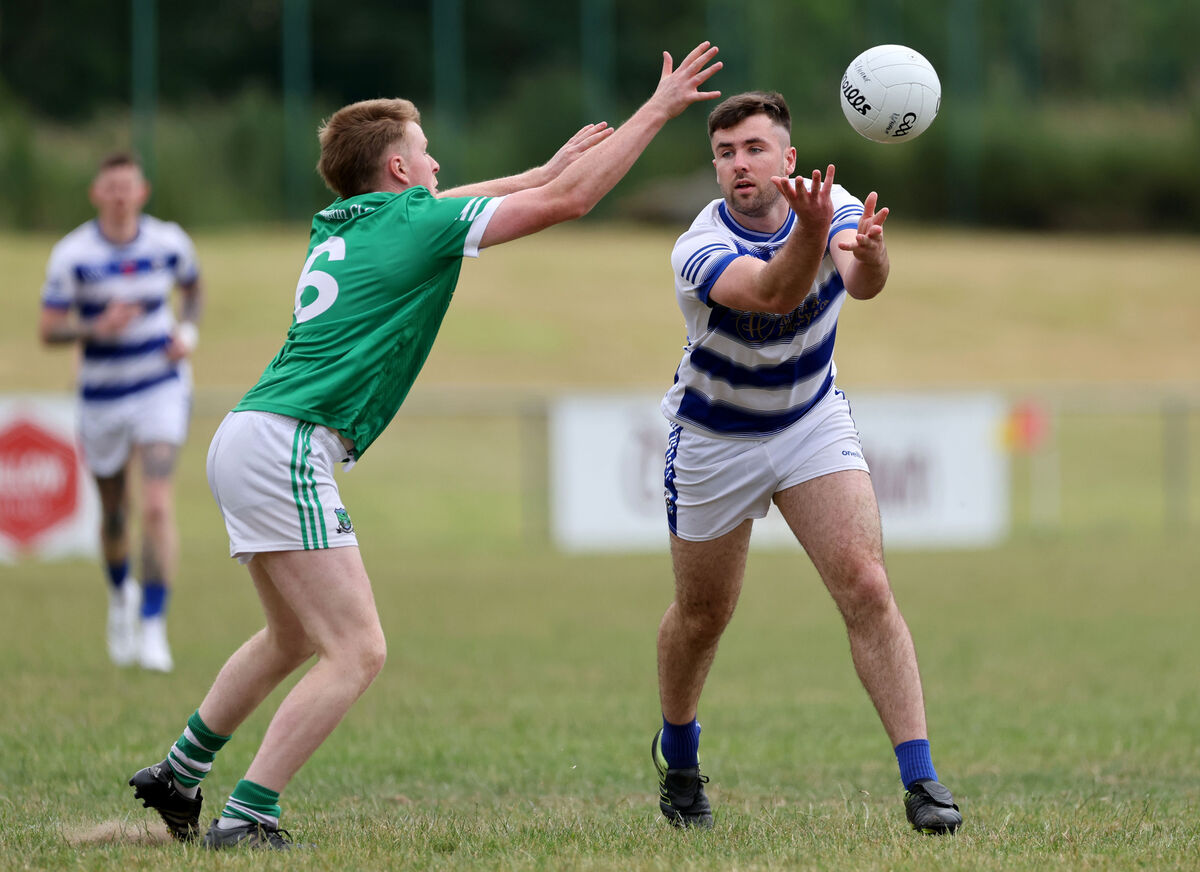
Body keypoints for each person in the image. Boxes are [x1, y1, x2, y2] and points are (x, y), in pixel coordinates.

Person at [127, 42, 723, 850]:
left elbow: (466, 199)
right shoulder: (412, 220)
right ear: (400, 172)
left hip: (250, 434)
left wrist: (538, 169)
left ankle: (178, 773)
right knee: (358, 650)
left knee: (295, 637)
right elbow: (571, 202)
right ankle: (248, 814)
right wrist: (656, 110)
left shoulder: (346, 221)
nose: (436, 160)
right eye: (424, 150)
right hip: (286, 443)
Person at [650, 91, 962, 834]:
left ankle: (922, 784)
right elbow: (769, 292)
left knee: (866, 583)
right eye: (725, 154)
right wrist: (816, 233)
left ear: (787, 159)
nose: (738, 165)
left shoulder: (833, 204)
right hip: (713, 438)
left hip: (808, 421)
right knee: (703, 616)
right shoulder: (697, 247)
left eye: (754, 149)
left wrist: (872, 255)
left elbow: (861, 279)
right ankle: (681, 756)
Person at [39, 152, 203, 673]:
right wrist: (96, 328)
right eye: (110, 188)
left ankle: (154, 626)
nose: (119, 196)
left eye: (126, 187)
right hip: (101, 396)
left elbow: (193, 288)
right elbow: (49, 329)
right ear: (96, 194)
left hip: (160, 385)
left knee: (156, 505)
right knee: (115, 512)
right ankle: (119, 599)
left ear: (142, 192)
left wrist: (189, 334)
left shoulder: (168, 242)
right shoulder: (72, 255)